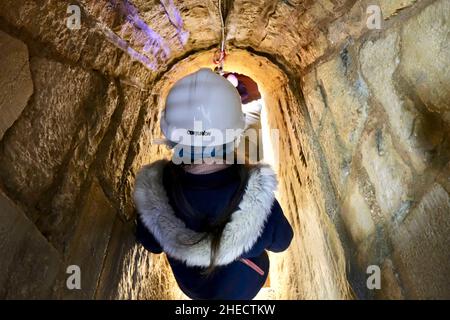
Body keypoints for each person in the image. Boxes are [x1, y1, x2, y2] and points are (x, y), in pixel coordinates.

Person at [133, 68, 293, 300]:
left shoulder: (157, 194)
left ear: (170, 138)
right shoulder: (257, 197)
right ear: (235, 134)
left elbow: (151, 244)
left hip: (193, 287)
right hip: (244, 286)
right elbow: (282, 242)